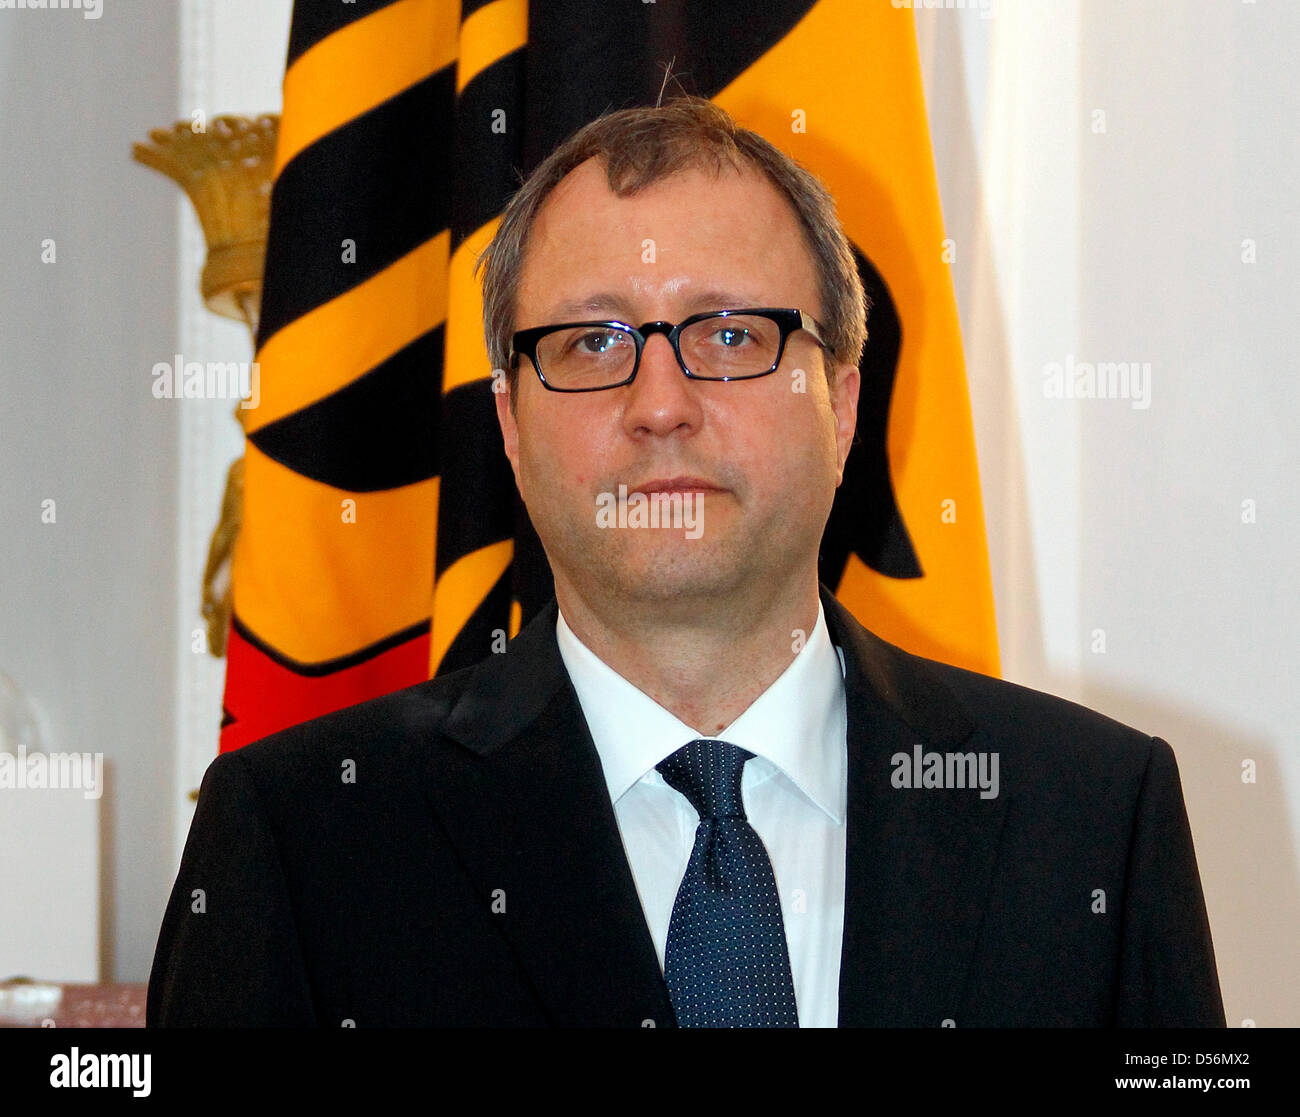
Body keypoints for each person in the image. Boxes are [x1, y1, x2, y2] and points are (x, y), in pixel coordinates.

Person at [147, 96, 1225, 1028]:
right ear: (512, 429)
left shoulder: (1090, 817)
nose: (659, 405)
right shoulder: (302, 839)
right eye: (591, 344)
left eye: (727, 334)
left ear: (842, 403)